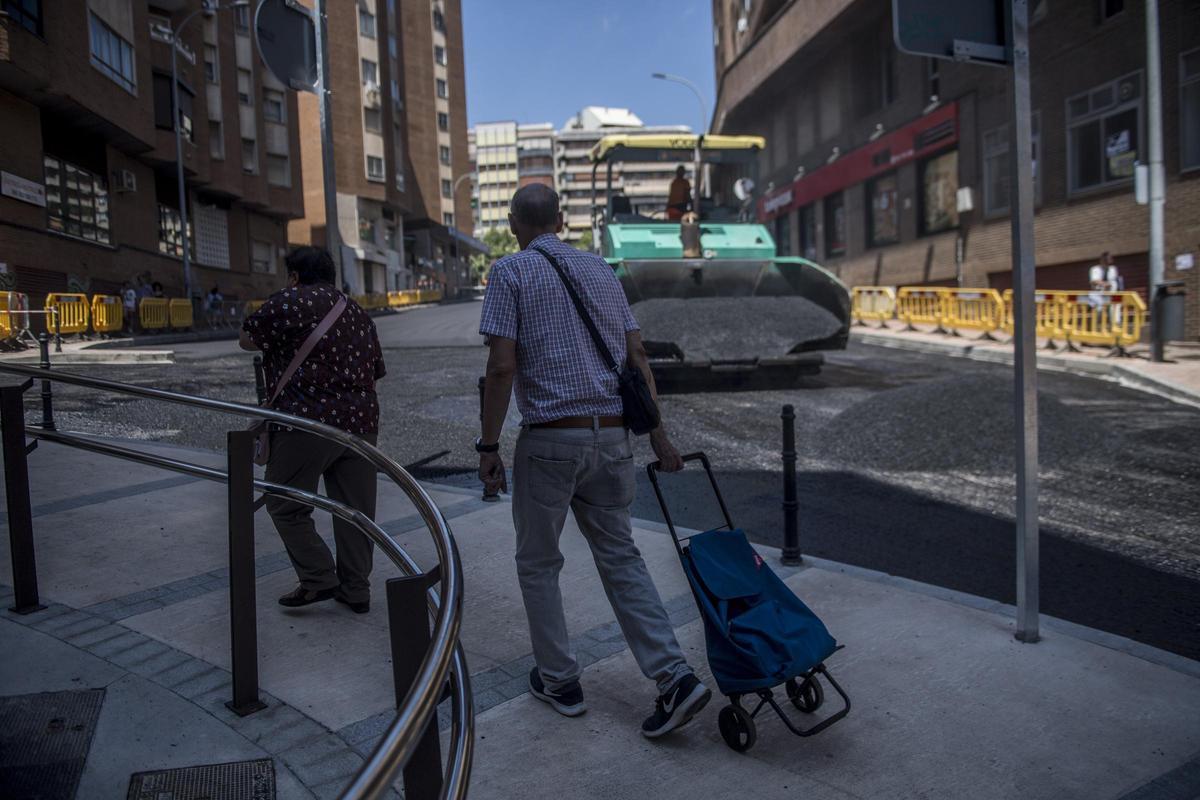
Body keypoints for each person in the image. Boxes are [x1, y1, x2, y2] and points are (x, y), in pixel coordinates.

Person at [477, 183, 711, 739]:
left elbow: (502, 367)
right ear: (561, 221)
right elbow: (637, 356)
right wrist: (659, 438)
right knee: (622, 557)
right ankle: (673, 676)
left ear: (512, 224)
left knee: (539, 563)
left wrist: (487, 446)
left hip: (550, 441)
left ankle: (560, 681)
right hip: (612, 439)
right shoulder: (602, 271)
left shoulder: (509, 272)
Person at [239, 247, 386, 614]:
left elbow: (247, 338)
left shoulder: (291, 300)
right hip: (362, 424)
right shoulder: (358, 313)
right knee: (355, 512)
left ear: (294, 276)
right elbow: (376, 370)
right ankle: (356, 589)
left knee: (284, 503)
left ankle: (319, 577)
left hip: (307, 420)